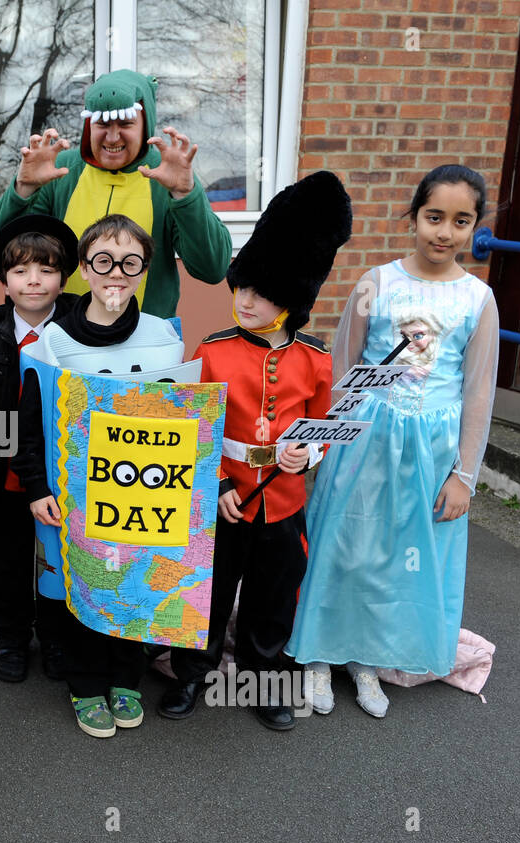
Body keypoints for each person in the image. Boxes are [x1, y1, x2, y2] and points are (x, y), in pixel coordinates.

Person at [287, 164, 500, 718]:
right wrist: (323, 446)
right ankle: (317, 653)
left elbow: (477, 394)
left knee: (399, 557)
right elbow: (346, 368)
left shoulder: (479, 299)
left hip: (432, 451)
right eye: (434, 217)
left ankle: (367, 659)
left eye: (461, 220)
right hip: (367, 440)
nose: (444, 232)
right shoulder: (375, 284)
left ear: (474, 226)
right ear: (413, 216)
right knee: (346, 545)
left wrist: (464, 476)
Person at [157, 171, 352, 731]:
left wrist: (306, 457)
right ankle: (192, 675)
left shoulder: (314, 360)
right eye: (241, 287)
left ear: (291, 299)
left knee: (274, 596)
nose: (245, 299)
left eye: (262, 292)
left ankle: (264, 682)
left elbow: (320, 427)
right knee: (210, 593)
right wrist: (217, 484)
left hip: (283, 499)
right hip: (228, 495)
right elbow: (195, 430)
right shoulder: (212, 351)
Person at [12, 214, 184, 737]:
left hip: (142, 493)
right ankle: (85, 684)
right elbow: (29, 426)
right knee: (80, 584)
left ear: (145, 271)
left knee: (132, 580)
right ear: (84, 269)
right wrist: (37, 487)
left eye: (130, 263)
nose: (116, 273)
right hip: (72, 494)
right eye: (103, 261)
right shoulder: (54, 342)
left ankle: (127, 676)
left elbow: (182, 419)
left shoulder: (165, 338)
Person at [0, 69, 232, 320]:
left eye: (125, 124)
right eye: (102, 124)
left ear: (146, 125)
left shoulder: (166, 174)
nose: (112, 137)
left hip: (147, 344)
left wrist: (185, 194)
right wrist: (23, 189)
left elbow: (211, 269)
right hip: (67, 341)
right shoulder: (61, 171)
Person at [0, 213, 79, 682]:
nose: (34, 281)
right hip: (5, 463)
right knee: (10, 553)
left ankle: (56, 636)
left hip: (63, 465)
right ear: (4, 280)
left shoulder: (77, 326)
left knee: (57, 553)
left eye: (47, 270)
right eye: (21, 271)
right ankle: (11, 635)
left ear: (64, 277)